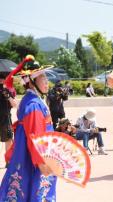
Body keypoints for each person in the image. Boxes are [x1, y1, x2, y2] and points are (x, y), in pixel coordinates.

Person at [0, 56, 57, 201]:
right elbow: (35, 136)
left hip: (28, 155)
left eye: (46, 77)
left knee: (23, 190)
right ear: (32, 82)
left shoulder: (32, 100)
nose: (46, 81)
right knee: (35, 191)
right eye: (42, 78)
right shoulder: (33, 105)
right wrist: (42, 163)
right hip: (36, 157)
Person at [0, 72, 17, 154]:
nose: (1, 80)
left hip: (5, 117)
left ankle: (8, 160)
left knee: (8, 138)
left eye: (2, 78)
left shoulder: (6, 91)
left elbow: (14, 104)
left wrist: (8, 96)